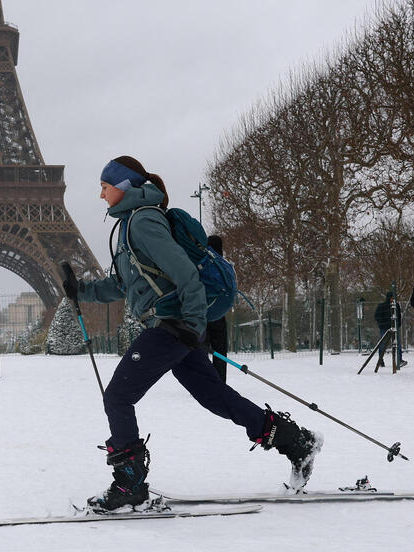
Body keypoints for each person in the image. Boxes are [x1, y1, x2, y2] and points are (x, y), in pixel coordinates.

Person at [65, 156, 322, 513]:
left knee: (118, 396)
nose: (100, 194)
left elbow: (184, 272)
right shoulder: (128, 227)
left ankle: (130, 485)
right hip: (176, 327)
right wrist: (81, 290)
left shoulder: (142, 222)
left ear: (123, 186)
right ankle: (297, 442)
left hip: (171, 326)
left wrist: (192, 324)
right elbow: (122, 284)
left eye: (104, 187)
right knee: (214, 396)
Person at [204, 234, 228, 383]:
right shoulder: (223, 265)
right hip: (219, 313)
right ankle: (220, 381)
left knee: (202, 349)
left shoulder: (202, 262)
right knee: (220, 350)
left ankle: (204, 381)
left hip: (202, 312)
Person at [372, 291, 404, 368]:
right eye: (392, 298)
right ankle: (380, 360)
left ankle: (399, 360)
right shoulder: (382, 306)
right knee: (383, 344)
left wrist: (398, 324)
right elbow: (377, 316)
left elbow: (399, 316)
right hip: (385, 328)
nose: (393, 299)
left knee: (398, 344)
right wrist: (382, 324)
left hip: (394, 327)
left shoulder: (396, 306)